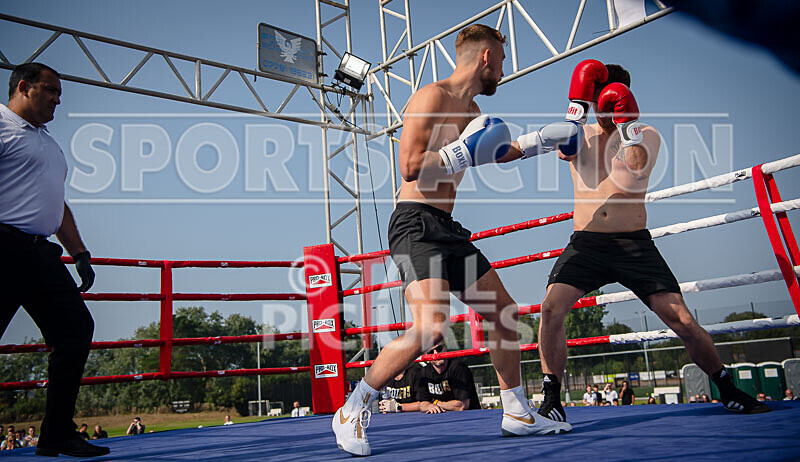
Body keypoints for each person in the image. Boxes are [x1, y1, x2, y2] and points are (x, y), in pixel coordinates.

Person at [331, 24, 576, 456]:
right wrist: (462, 151)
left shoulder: (472, 111)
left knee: (502, 313)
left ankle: (516, 411)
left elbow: (498, 149)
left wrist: (544, 138)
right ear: (486, 57)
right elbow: (409, 165)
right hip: (415, 224)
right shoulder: (431, 97)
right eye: (501, 59)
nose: (503, 68)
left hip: (447, 227)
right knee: (430, 327)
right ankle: (354, 407)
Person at [534, 59, 771, 422]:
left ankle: (727, 388)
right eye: (597, 100)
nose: (603, 108)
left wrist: (625, 124)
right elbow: (564, 150)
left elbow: (632, 173)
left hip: (634, 247)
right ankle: (552, 398)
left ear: (622, 100)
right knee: (550, 309)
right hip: (587, 244)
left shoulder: (646, 133)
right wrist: (576, 110)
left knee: (682, 321)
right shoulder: (578, 133)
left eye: (609, 101)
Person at [0, 63, 108, 458]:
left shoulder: (47, 142)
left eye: (59, 93)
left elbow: (55, 204)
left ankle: (58, 433)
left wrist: (78, 252)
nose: (57, 99)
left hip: (41, 252)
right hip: (3, 246)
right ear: (24, 87)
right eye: (51, 90)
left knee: (76, 329)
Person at [415, 344, 481, 414]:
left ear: (445, 349)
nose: (436, 353)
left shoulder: (458, 368)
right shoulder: (424, 372)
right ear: (426, 355)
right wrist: (429, 406)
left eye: (439, 349)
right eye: (431, 352)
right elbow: (422, 405)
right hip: (441, 419)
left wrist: (435, 403)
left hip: (469, 417)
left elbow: (462, 405)